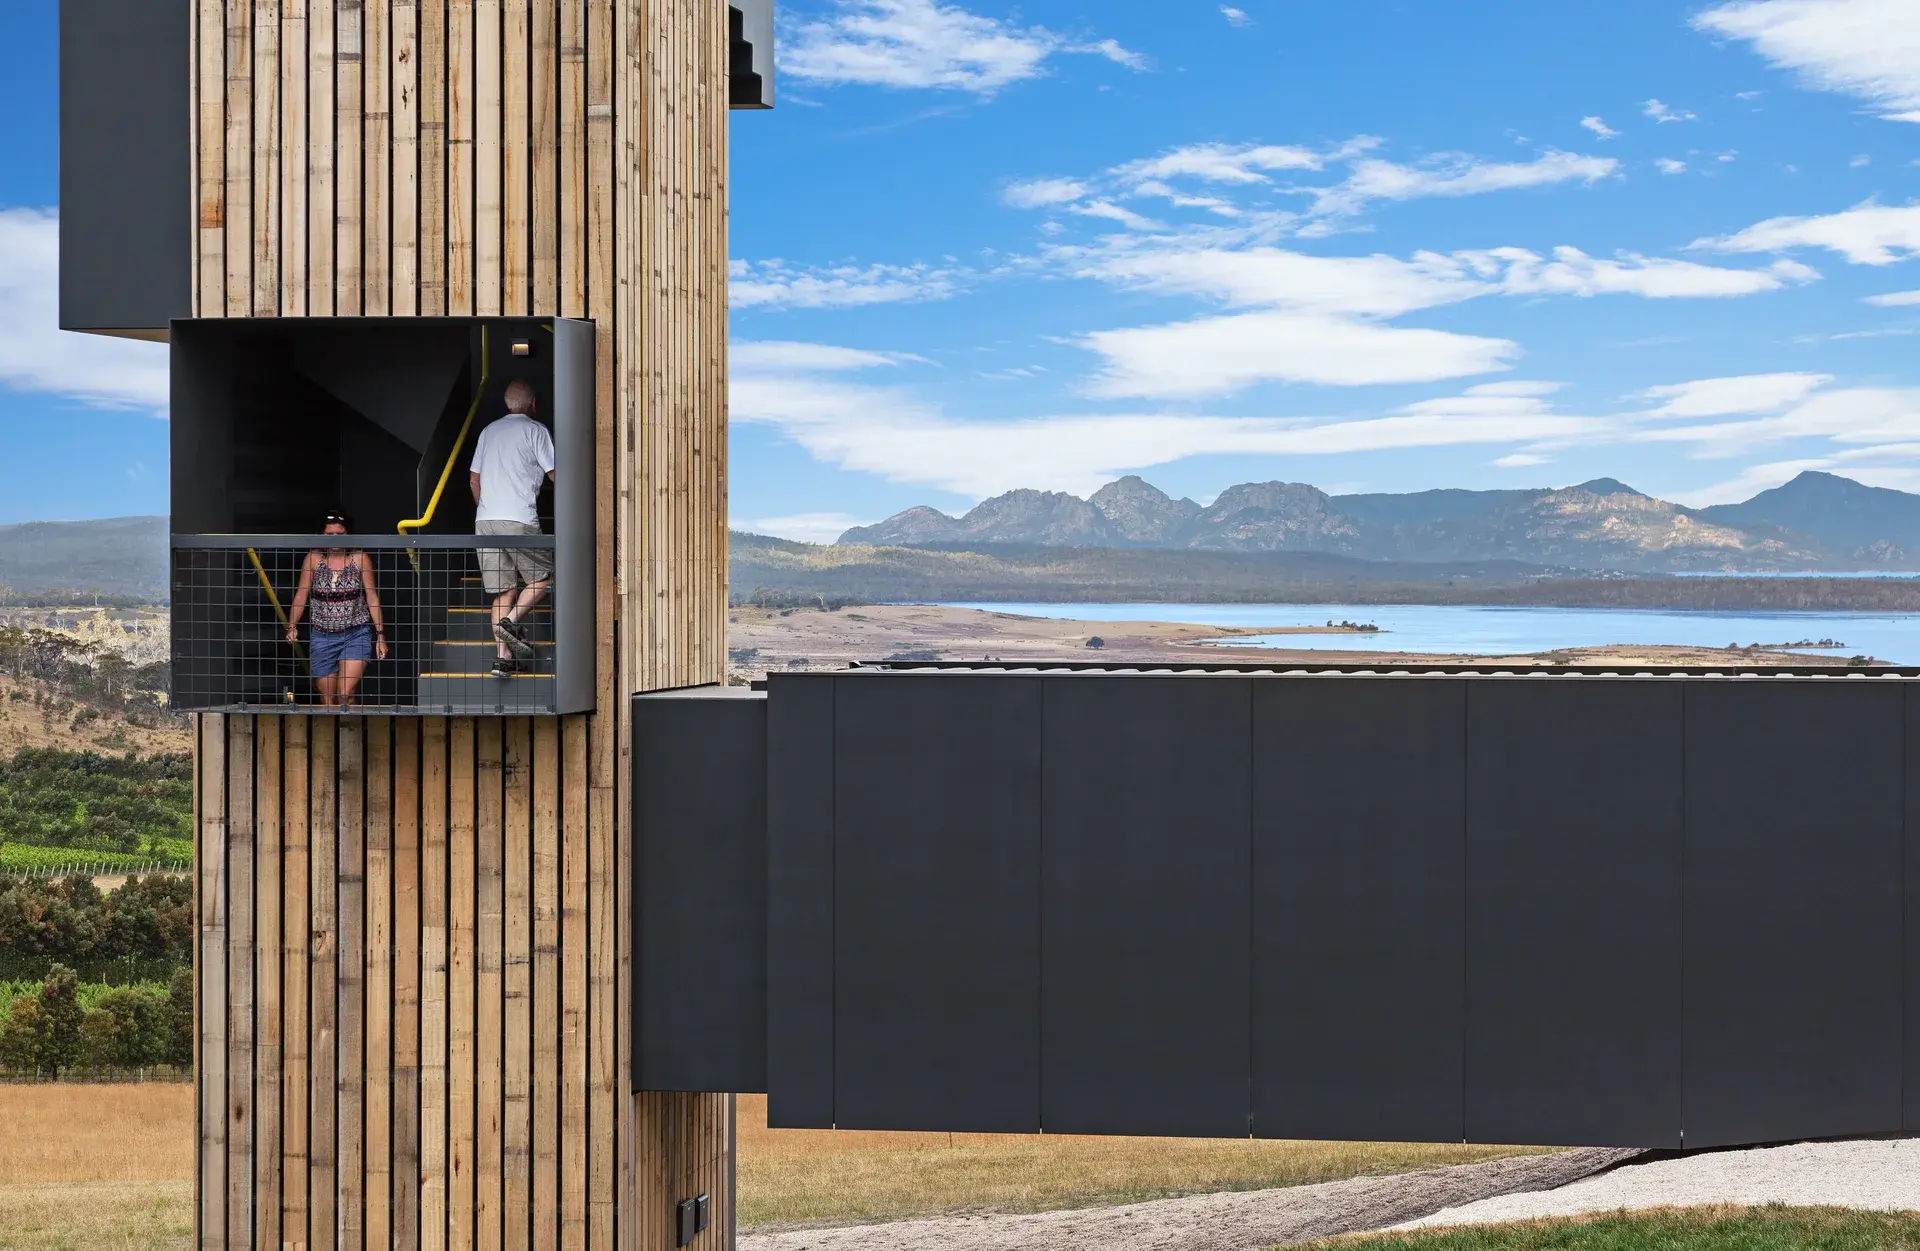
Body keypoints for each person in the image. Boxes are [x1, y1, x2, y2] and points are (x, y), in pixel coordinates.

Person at [470, 379, 556, 677]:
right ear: (533, 404)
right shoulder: (536, 430)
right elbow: (557, 474)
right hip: (518, 517)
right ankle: (511, 623)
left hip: (485, 520)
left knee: (502, 591)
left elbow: (474, 480)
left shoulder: (488, 431)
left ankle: (502, 659)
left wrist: (487, 508)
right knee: (543, 579)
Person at [285, 511, 388, 707]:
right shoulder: (313, 559)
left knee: (345, 694)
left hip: (355, 633)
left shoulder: (359, 558)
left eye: (339, 535)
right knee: (327, 701)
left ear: (348, 534)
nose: (334, 540)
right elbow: (301, 594)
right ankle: (334, 737)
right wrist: (292, 625)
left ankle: (355, 735)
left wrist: (380, 635)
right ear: (321, 535)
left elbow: (372, 597)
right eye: (329, 535)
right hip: (322, 636)